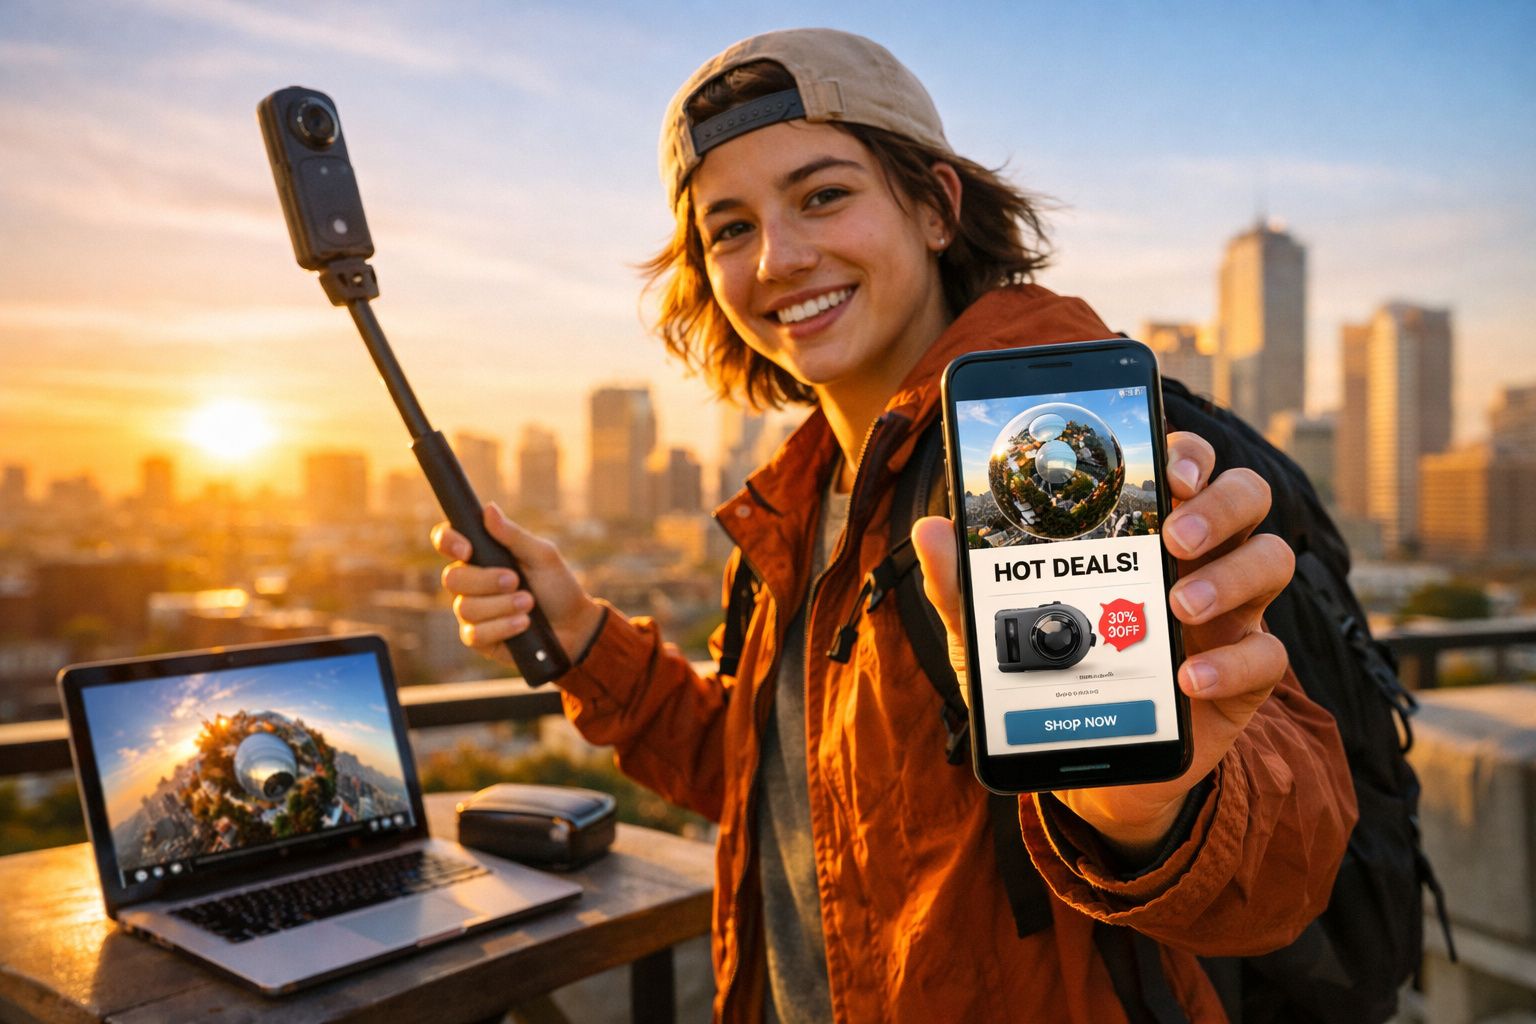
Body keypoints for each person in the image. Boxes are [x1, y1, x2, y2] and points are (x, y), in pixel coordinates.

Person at [432, 28, 1355, 1023]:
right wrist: (581, 640)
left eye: (823, 195)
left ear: (935, 206)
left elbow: (1289, 850)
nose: (779, 258)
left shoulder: (1042, 457)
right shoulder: (807, 495)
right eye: (729, 229)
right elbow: (785, 781)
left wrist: (1147, 813)